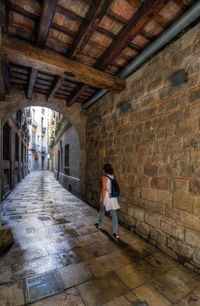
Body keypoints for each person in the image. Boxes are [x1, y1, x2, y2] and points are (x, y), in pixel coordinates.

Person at [94, 164, 120, 238]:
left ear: (104, 170)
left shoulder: (104, 177)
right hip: (113, 198)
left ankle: (99, 224)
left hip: (107, 198)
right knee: (114, 215)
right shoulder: (113, 176)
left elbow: (104, 189)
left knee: (102, 211)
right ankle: (116, 232)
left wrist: (103, 200)